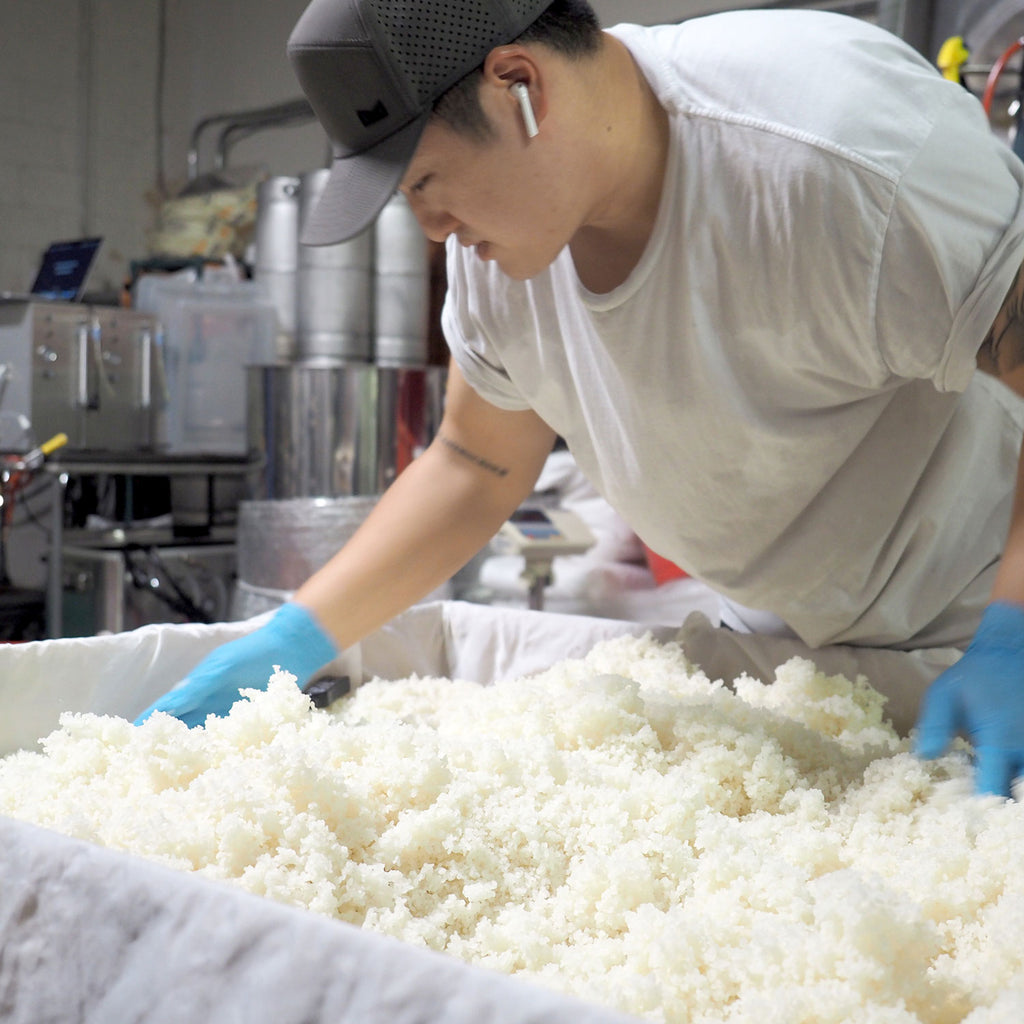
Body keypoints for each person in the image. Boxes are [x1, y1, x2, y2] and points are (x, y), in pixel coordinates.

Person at [139, 0, 1024, 797]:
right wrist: (295, 637)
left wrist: (1015, 627)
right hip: (798, 652)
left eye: (424, 185)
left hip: (981, 626)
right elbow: (476, 465)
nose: (432, 231)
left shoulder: (836, 151)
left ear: (519, 86)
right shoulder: (501, 256)